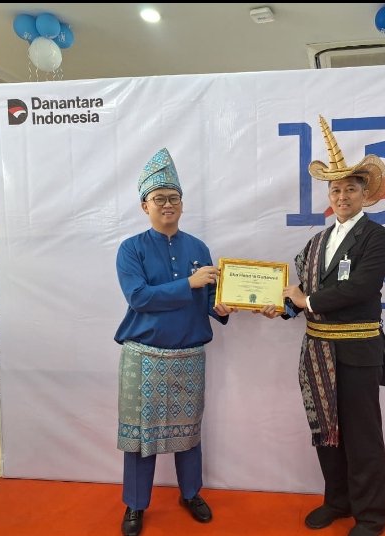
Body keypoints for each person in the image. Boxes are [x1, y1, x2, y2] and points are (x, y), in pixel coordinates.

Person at [257, 116, 385, 536]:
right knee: (327, 432)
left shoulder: (377, 237)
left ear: (364, 194)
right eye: (335, 190)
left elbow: (360, 287)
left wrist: (307, 302)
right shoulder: (316, 242)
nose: (341, 196)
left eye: (350, 189)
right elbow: (301, 290)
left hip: (357, 352)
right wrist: (280, 307)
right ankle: (337, 501)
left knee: (362, 436)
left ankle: (370, 516)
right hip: (317, 351)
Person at [114, 147, 236, 536]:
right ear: (144, 205)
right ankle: (135, 504)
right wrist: (189, 283)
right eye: (159, 198)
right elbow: (139, 297)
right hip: (143, 356)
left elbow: (207, 297)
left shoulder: (198, 248)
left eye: (174, 198)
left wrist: (224, 306)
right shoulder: (131, 249)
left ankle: (190, 493)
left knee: (189, 430)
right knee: (140, 437)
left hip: (189, 355)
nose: (167, 204)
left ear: (182, 204)